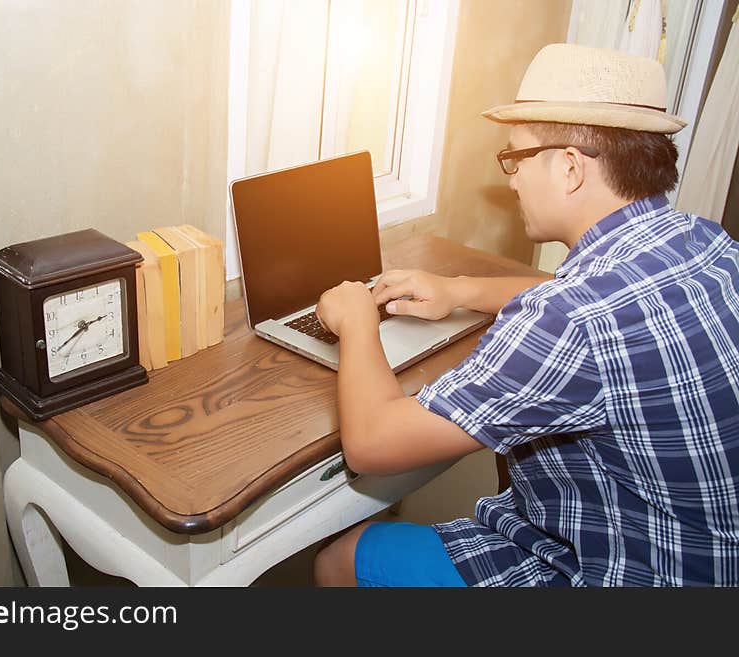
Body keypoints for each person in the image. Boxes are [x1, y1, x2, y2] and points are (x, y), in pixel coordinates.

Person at [312, 43, 739, 587]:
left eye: (515, 157)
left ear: (568, 167)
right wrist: (458, 288)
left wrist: (355, 320)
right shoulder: (703, 240)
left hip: (626, 571)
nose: (511, 178)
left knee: (341, 559)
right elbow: (575, 291)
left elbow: (373, 444)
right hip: (708, 559)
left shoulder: (571, 320)